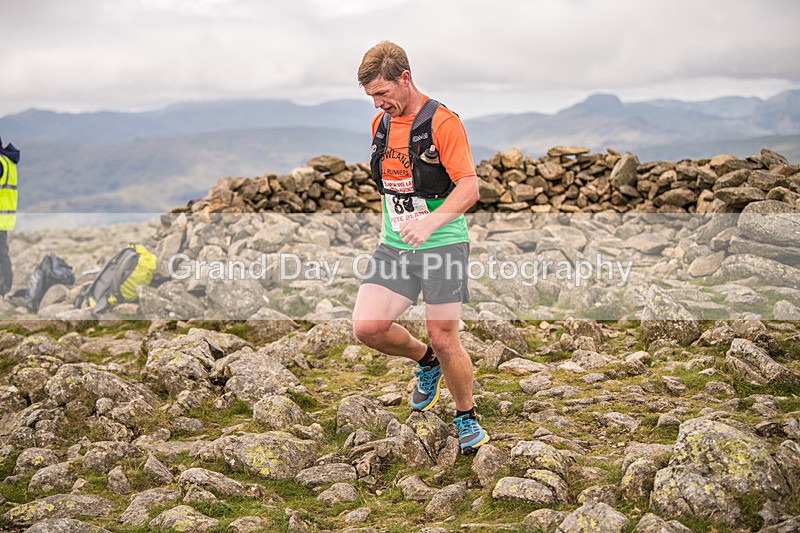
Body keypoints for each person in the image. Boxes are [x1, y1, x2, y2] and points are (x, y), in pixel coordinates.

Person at [352, 41, 489, 454]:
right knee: (368, 328)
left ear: (405, 78)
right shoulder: (380, 124)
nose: (378, 103)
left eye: (382, 93)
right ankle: (424, 361)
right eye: (372, 96)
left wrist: (431, 221)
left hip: (443, 243)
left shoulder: (442, 122)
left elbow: (470, 187)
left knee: (446, 337)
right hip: (395, 246)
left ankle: (465, 416)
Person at [0, 138, 19, 297]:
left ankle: (4, 288)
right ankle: (5, 287)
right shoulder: (7, 160)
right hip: (4, 216)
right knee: (2, 252)